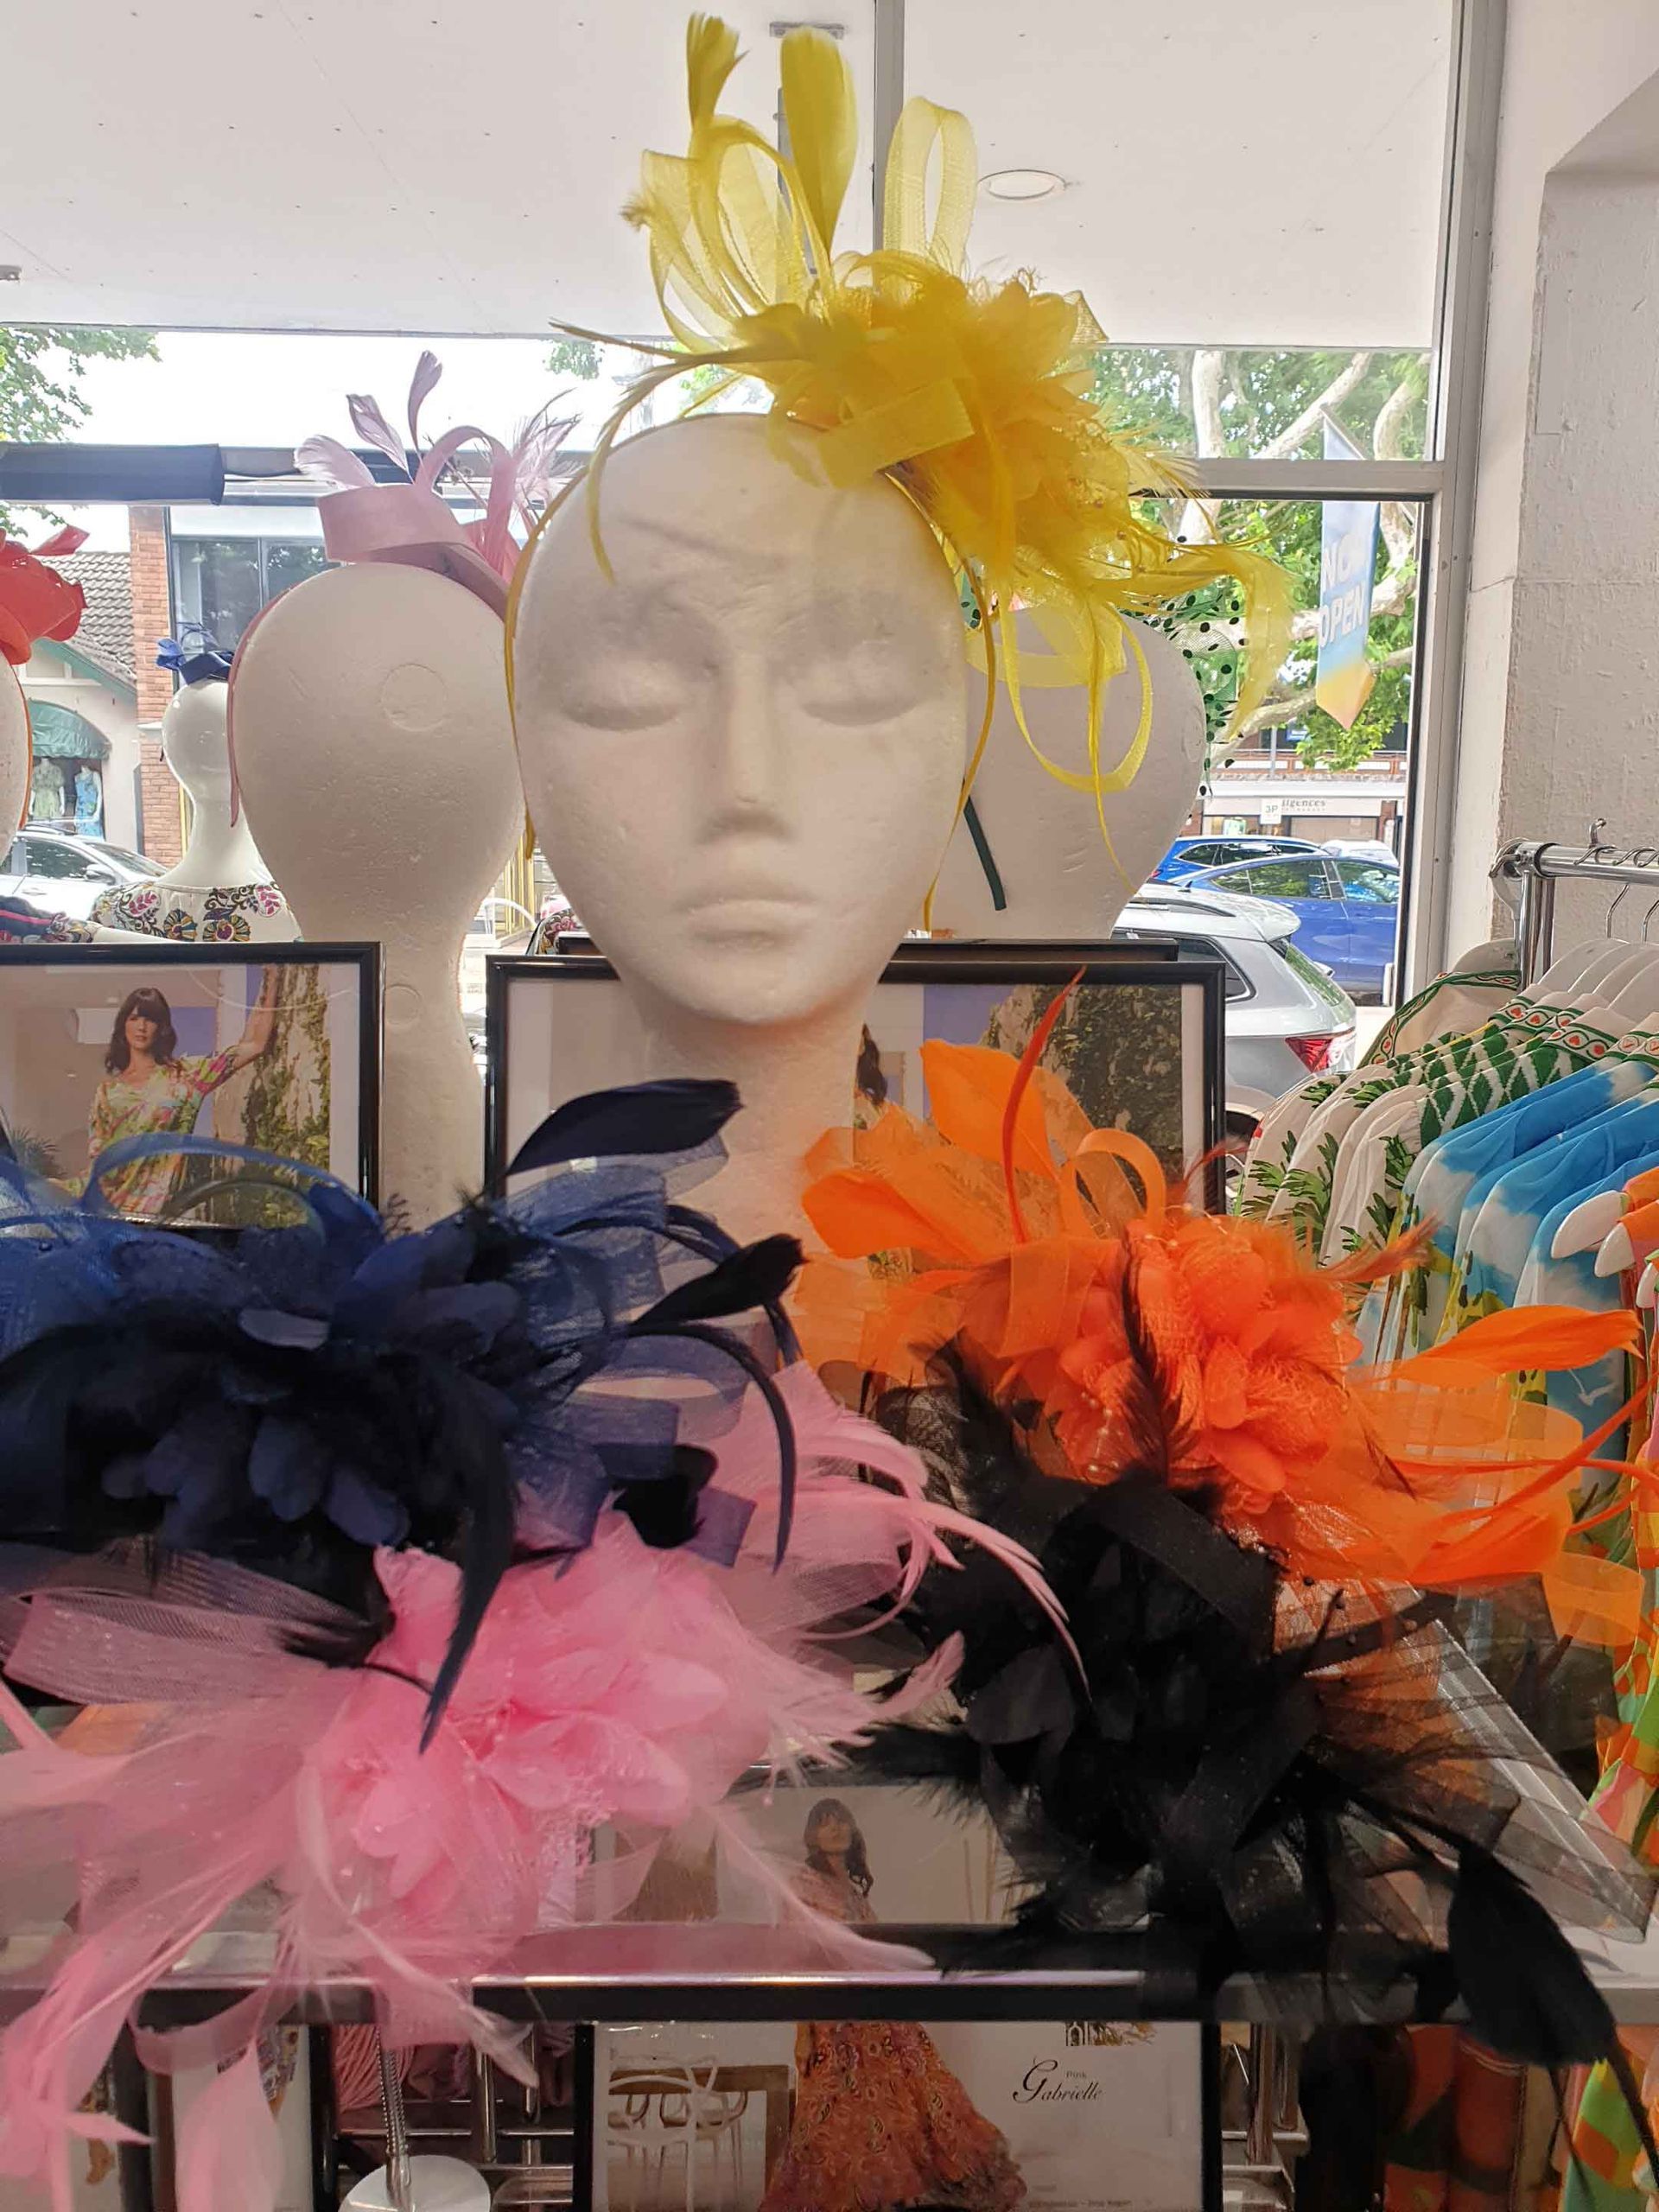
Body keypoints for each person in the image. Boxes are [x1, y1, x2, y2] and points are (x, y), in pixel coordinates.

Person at [758, 1800, 1026, 2212]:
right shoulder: (802, 1885)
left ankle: (899, 2196)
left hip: (879, 2012)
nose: (836, 1829)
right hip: (833, 2017)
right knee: (837, 2113)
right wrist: (804, 2029)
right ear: (810, 1836)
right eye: (825, 1823)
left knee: (916, 2098)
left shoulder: (851, 1886)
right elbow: (800, 1960)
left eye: (842, 1820)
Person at [82, 969, 279, 1217]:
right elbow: (97, 1159)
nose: (142, 1026)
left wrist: (272, 982)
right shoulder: (107, 1093)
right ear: (123, 1026)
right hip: (109, 1214)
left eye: (150, 1019)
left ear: (161, 1028)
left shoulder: (186, 1077)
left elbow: (256, 1046)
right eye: (134, 1019)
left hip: (160, 1215)